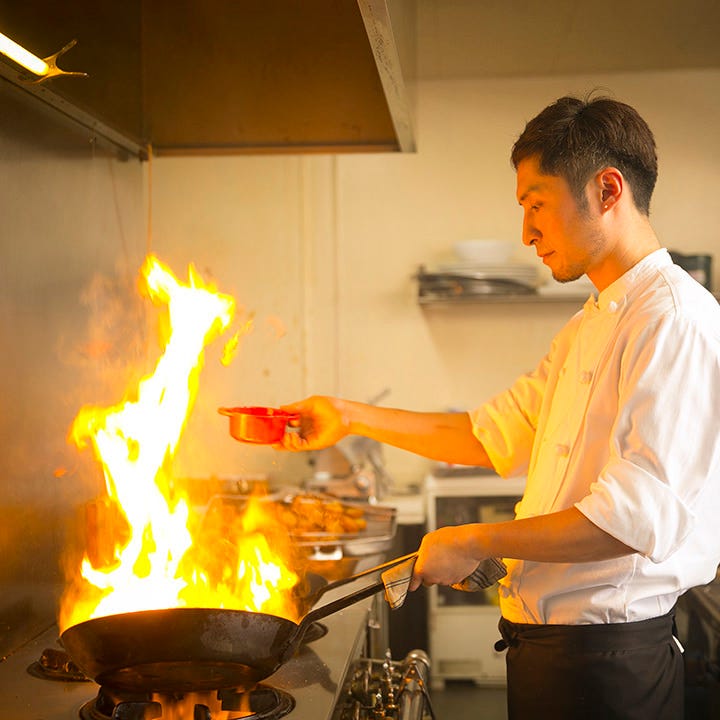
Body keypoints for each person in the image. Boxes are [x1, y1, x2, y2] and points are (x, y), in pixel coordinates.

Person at [276, 94, 720, 719]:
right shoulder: (587, 326)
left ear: (607, 190)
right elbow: (488, 435)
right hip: (546, 654)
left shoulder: (674, 319)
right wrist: (347, 416)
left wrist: (477, 539)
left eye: (536, 205)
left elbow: (631, 519)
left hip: (610, 668)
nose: (526, 232)